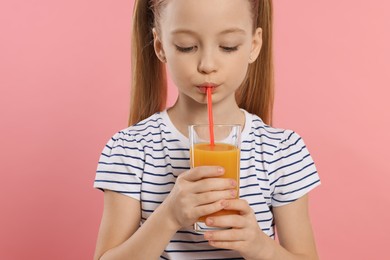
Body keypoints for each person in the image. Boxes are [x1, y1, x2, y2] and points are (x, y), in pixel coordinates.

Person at [93, 0, 321, 259]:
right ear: (160, 46)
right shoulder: (131, 149)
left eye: (228, 46)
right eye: (186, 47)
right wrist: (169, 216)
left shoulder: (282, 151)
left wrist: (260, 246)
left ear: (254, 45)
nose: (207, 65)